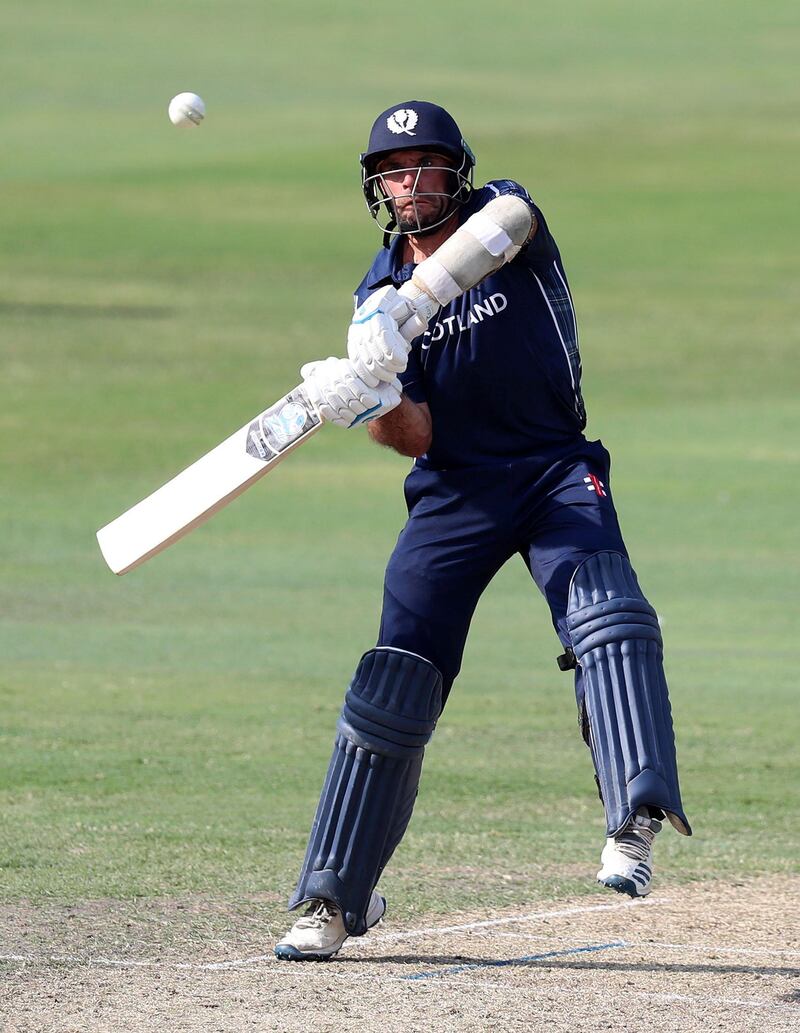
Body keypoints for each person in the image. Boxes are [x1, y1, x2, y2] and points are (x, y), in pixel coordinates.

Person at [274, 101, 691, 962]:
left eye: (426, 165)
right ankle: (332, 898)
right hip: (453, 495)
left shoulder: (501, 217)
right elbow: (414, 436)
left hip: (552, 469)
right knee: (395, 676)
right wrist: (372, 392)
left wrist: (414, 305)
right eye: (394, 171)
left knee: (606, 611)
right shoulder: (371, 297)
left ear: (455, 171)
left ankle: (634, 816)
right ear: (376, 187)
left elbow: (512, 221)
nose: (411, 183)